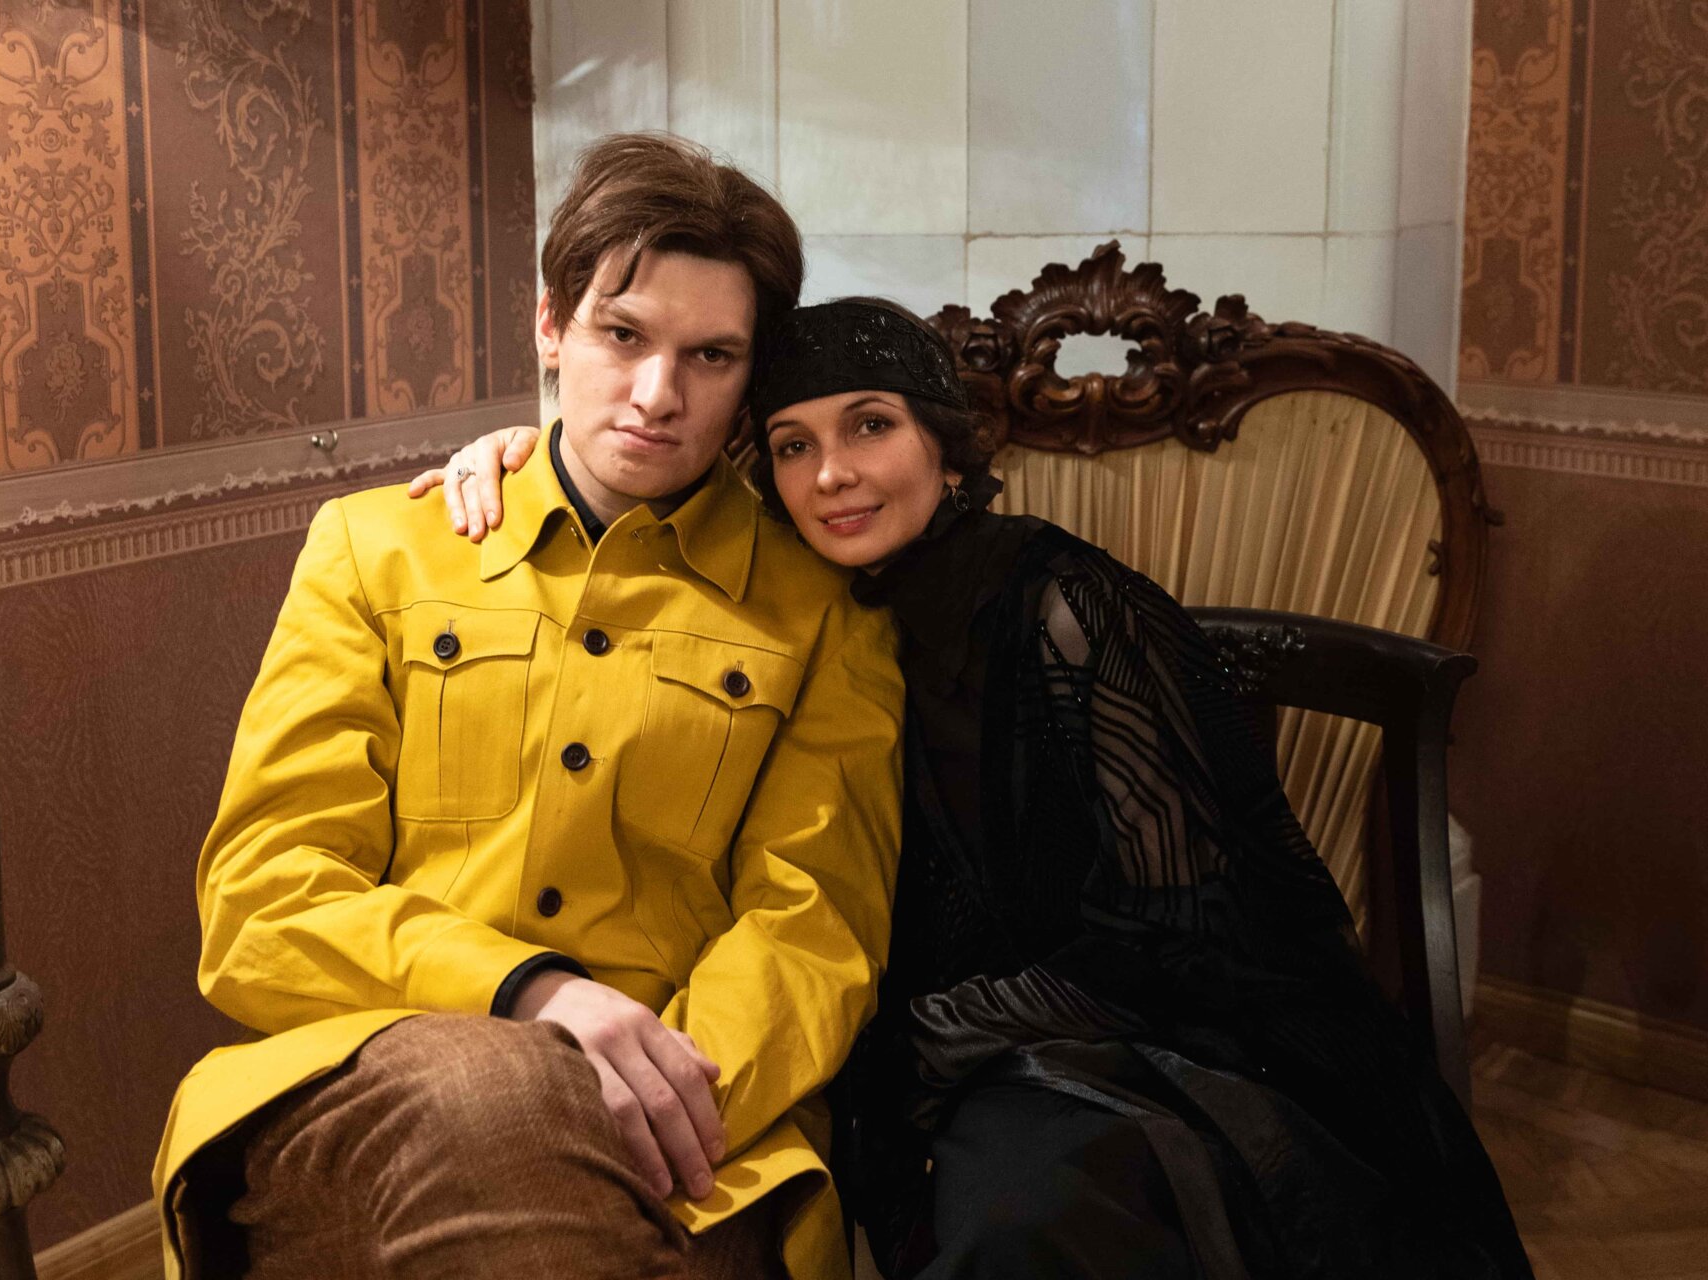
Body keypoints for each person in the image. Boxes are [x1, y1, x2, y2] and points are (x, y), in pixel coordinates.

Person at [415, 297, 1535, 1279]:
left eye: (871, 425)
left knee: (1027, 1223)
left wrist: (942, 1031)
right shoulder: (795, 609)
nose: (833, 473)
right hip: (876, 1037)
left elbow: (1183, 927)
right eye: (795, 445)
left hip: (1135, 1041)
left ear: (946, 447)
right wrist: (519, 452)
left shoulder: (1068, 605)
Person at [152, 137, 906, 1280]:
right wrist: (528, 992)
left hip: (701, 1114)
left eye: (710, 355)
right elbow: (263, 896)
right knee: (491, 1097)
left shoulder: (823, 612)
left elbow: (813, 926)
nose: (658, 395)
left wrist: (659, 1088)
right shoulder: (373, 549)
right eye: (624, 335)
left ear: (752, 377)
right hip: (385, 1066)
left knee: (531, 1151)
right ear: (552, 326)